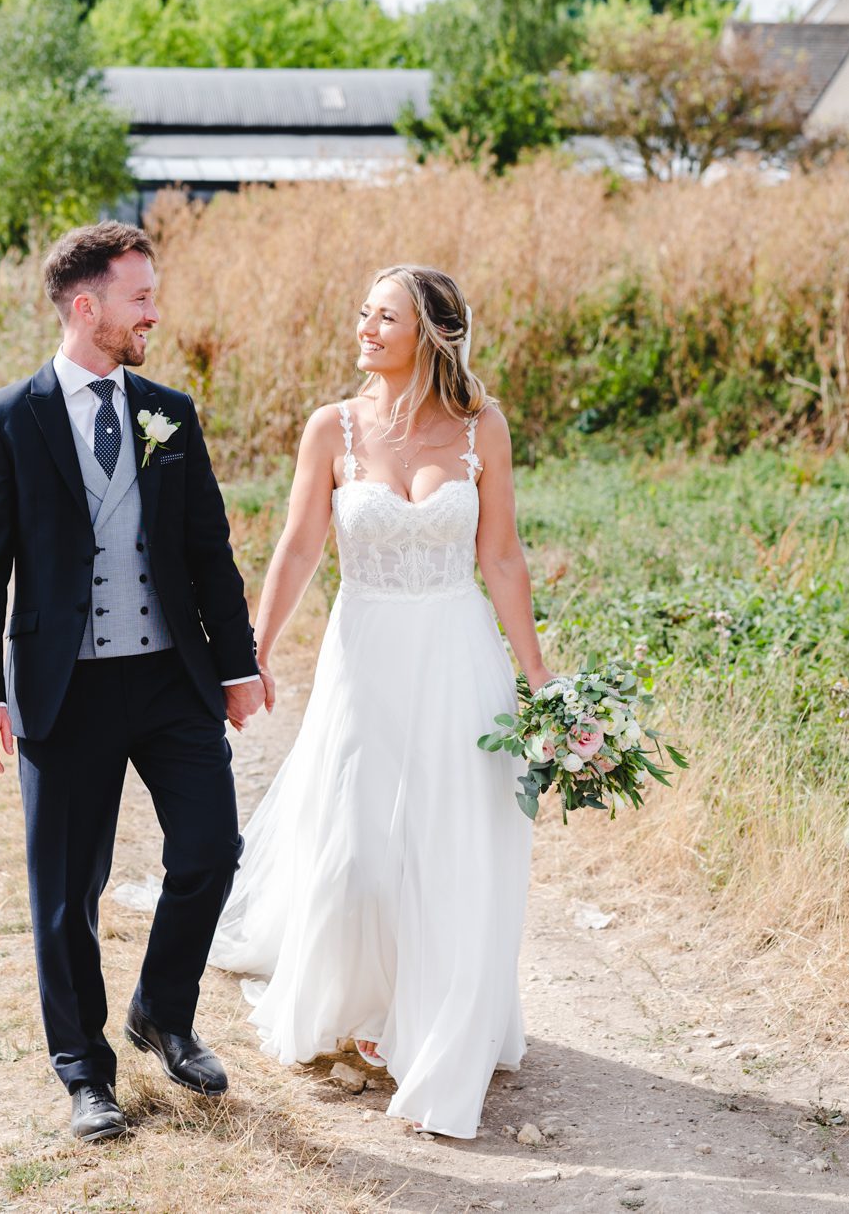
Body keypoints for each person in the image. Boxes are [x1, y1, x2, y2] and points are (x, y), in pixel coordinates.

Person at [209, 264, 551, 1140]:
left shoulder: (483, 428)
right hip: (364, 658)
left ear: (430, 333)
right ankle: (357, 1001)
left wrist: (541, 683)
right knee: (360, 846)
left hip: (457, 658)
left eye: (385, 316)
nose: (365, 327)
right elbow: (295, 549)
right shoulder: (334, 428)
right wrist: (253, 652)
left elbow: (502, 559)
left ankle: (430, 1018)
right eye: (361, 311)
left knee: (448, 844)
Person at [0, 221, 272, 1142]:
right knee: (66, 890)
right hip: (66, 688)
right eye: (140, 297)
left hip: (172, 679)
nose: (154, 312)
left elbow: (209, 551)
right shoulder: (8, 418)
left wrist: (238, 663)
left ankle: (164, 1012)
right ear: (86, 307)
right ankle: (85, 1074)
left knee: (212, 848)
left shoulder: (170, 408)